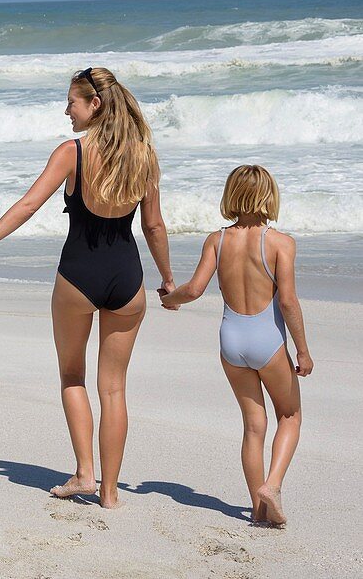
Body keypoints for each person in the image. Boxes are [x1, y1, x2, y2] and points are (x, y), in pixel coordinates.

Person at [0, 67, 173, 509]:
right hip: (129, 280)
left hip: (78, 277)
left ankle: (84, 474)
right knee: (113, 388)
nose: (66, 109)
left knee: (72, 376)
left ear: (94, 105)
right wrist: (167, 279)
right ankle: (110, 494)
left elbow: (29, 204)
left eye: (72, 101)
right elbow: (152, 224)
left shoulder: (72, 152)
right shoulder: (144, 154)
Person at [160, 165, 311, 527]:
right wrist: (303, 351)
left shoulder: (218, 239)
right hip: (267, 339)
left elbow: (194, 289)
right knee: (289, 416)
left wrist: (171, 299)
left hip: (231, 339)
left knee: (253, 425)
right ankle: (271, 486)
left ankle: (259, 513)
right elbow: (287, 301)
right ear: (268, 195)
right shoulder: (281, 242)